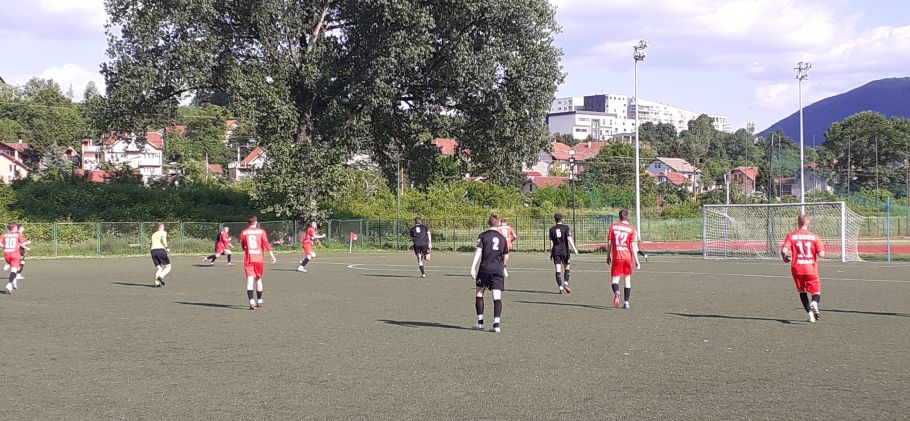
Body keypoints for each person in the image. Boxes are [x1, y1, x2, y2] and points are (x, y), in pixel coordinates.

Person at [781, 214, 826, 323]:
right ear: (808, 223)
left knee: (802, 291)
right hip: (810, 268)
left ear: (798, 223)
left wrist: (785, 258)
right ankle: (814, 302)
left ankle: (810, 316)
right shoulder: (814, 237)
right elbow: (821, 254)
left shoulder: (791, 236)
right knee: (816, 291)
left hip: (797, 268)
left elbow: (784, 250)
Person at [470, 213, 509, 333]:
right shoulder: (502, 238)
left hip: (485, 269)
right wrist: (503, 267)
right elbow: (506, 256)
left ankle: (480, 322)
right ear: (499, 224)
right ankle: (496, 325)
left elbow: (478, 252)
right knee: (497, 297)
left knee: (479, 293)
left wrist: (472, 267)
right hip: (498, 270)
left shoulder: (483, 236)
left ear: (488, 223)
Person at [606, 209, 641, 309]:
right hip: (628, 257)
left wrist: (608, 256)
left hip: (617, 257)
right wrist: (637, 261)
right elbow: (633, 246)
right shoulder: (632, 229)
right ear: (627, 217)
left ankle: (617, 292)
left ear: (619, 217)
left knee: (615, 280)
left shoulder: (613, 227)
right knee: (627, 279)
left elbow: (609, 243)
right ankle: (626, 302)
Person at [240, 216, 276, 310]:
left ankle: (251, 301)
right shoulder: (261, 231)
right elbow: (266, 244)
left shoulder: (244, 232)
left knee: (250, 280)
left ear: (248, 223)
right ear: (256, 222)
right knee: (258, 279)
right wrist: (272, 255)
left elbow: (243, 246)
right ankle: (259, 300)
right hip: (259, 258)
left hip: (249, 258)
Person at [549, 213, 579, 294]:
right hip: (564, 251)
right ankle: (566, 283)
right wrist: (574, 248)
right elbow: (569, 238)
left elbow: (551, 242)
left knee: (558, 269)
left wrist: (551, 252)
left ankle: (560, 287)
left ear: (555, 220)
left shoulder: (551, 229)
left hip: (556, 251)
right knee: (567, 267)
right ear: (562, 219)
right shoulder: (565, 227)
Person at [3, 223, 28, 294]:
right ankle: (10, 283)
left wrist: (5, 246)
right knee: (14, 269)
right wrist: (28, 242)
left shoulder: (4, 235)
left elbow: (1, 244)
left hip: (6, 254)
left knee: (14, 268)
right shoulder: (18, 235)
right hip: (15, 254)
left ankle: (13, 280)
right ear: (14, 228)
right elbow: (22, 243)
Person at [150, 223, 172, 287]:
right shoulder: (163, 232)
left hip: (153, 251)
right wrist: (166, 247)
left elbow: (151, 243)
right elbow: (163, 239)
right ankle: (161, 277)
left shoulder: (154, 234)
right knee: (168, 266)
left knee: (159, 268)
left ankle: (156, 283)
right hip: (160, 250)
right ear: (162, 226)